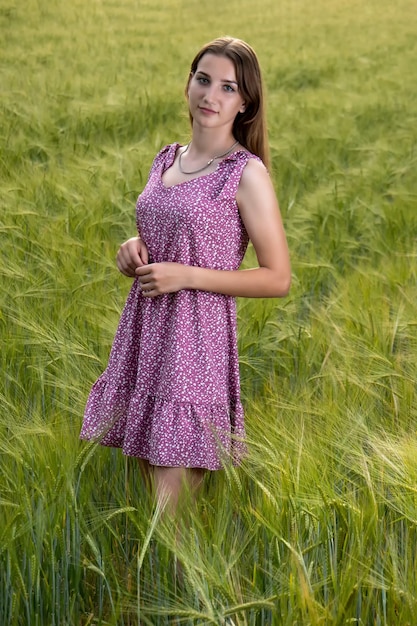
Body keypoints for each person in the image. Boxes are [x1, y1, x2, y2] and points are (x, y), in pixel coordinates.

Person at [80, 36, 291, 511]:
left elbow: (278, 277)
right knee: (149, 515)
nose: (210, 96)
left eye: (227, 87)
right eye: (202, 79)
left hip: (193, 351)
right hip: (145, 337)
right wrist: (133, 248)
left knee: (170, 526)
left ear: (245, 103)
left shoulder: (245, 173)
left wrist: (187, 276)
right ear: (188, 84)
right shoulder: (165, 159)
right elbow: (161, 235)